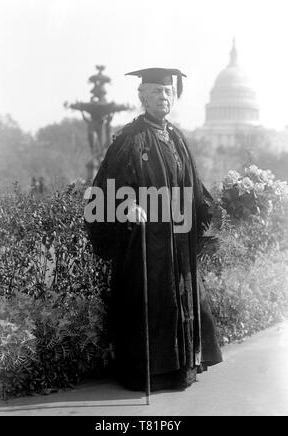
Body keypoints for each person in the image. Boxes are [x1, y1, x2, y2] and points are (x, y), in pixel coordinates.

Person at [85, 68, 222, 392]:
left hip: (177, 238)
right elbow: (107, 186)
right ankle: (148, 373)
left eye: (167, 92)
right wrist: (126, 205)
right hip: (145, 241)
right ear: (142, 97)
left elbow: (193, 184)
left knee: (183, 298)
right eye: (156, 92)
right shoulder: (130, 139)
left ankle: (182, 368)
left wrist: (211, 211)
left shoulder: (176, 137)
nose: (163, 97)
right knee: (150, 300)